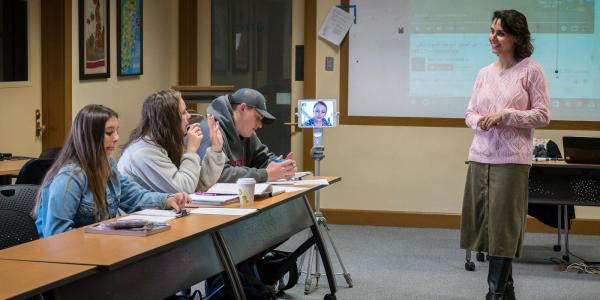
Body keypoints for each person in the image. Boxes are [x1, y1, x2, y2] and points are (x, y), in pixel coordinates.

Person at [460, 10, 550, 300]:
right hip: (479, 156)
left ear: (516, 37)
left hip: (511, 161)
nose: (493, 37)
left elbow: (542, 115)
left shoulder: (530, 70)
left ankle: (494, 294)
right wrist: (480, 121)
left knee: (504, 229)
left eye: (500, 32)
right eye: (491, 31)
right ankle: (505, 292)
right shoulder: (483, 73)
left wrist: (505, 116)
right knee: (485, 227)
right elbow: (470, 113)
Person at [35, 104, 190, 238]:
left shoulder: (107, 164)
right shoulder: (69, 178)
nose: (116, 137)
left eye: (116, 131)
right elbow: (57, 235)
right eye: (109, 132)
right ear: (90, 136)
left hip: (99, 250)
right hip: (69, 259)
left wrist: (167, 199)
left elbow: (134, 197)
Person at [118, 90, 225, 193]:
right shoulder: (144, 152)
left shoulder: (168, 141)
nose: (188, 116)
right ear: (168, 119)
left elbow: (198, 184)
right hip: (139, 211)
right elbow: (184, 189)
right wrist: (191, 151)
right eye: (183, 113)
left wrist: (215, 150)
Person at [197, 88, 296, 183]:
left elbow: (262, 159)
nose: (260, 125)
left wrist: (282, 166)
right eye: (257, 117)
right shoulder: (210, 130)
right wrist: (266, 174)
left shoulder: (246, 132)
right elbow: (218, 174)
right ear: (243, 108)